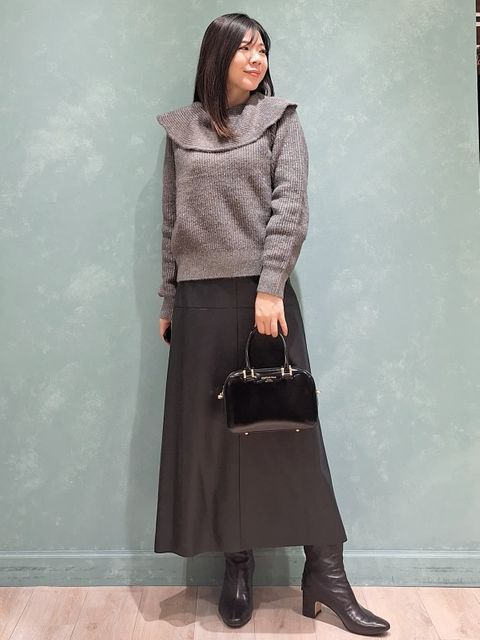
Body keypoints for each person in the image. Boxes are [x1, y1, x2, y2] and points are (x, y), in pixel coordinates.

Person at [153, 12, 390, 636]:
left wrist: (269, 286)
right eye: (245, 49)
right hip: (198, 300)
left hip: (264, 300)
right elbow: (171, 221)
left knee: (288, 432)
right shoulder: (180, 129)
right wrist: (168, 299)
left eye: (262, 49)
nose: (257, 59)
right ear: (217, 56)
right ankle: (238, 567)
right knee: (215, 436)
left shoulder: (280, 120)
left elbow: (290, 209)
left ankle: (327, 575)